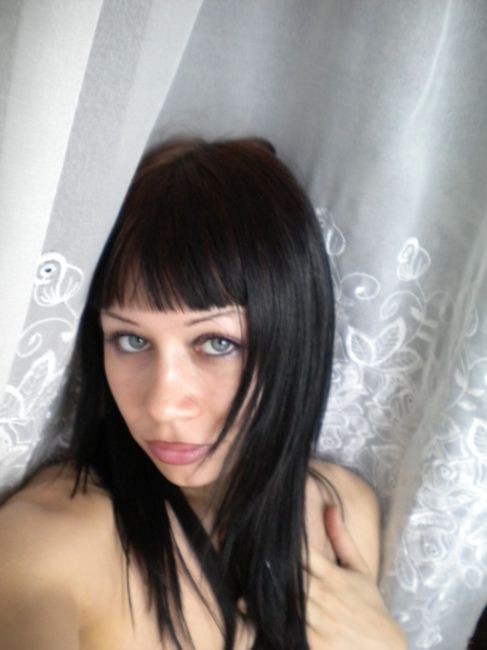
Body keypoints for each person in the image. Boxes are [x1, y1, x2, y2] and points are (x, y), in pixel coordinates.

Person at [0, 137, 406, 649]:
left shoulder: (338, 514)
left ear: (295, 338)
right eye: (130, 340)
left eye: (217, 343)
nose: (162, 405)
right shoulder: (52, 542)